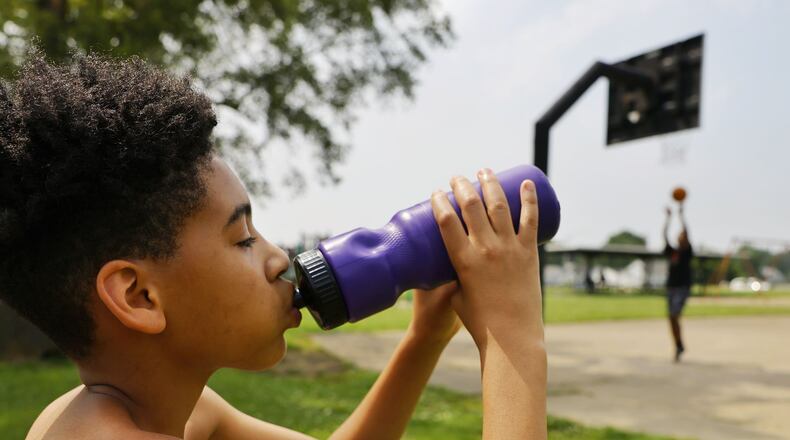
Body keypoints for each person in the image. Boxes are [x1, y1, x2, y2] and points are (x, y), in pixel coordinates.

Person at [0, 50, 547, 439]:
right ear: (139, 296)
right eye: (241, 238)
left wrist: (424, 338)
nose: (279, 257)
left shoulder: (176, 414)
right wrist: (512, 340)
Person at [663, 203, 693, 362]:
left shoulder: (686, 251)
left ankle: (679, 345)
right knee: (671, 318)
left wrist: (681, 216)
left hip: (682, 288)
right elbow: (664, 235)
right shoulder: (672, 251)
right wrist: (668, 219)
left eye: (684, 235)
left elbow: (687, 230)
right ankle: (678, 344)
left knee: (674, 315)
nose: (682, 236)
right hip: (671, 287)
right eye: (680, 234)